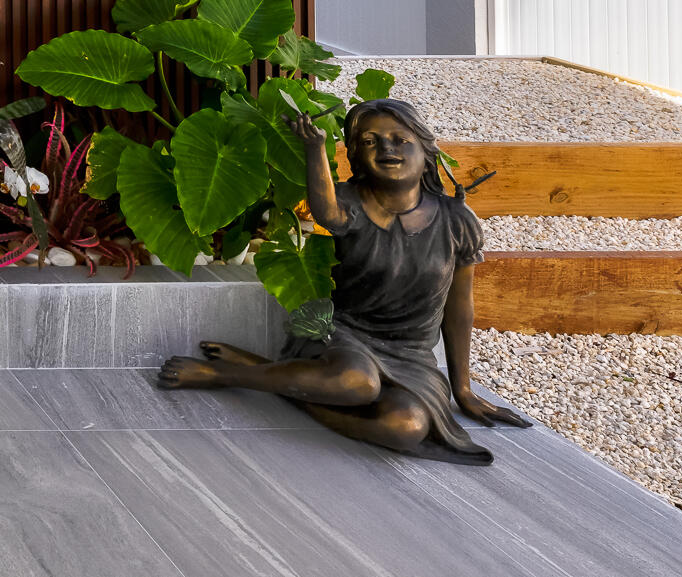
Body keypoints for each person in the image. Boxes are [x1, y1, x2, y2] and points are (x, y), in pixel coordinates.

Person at [155, 97, 529, 463]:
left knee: (406, 426)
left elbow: (459, 306)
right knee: (357, 382)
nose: (386, 148)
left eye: (400, 139)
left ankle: (274, 378)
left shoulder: (457, 221)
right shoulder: (352, 202)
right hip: (345, 334)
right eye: (370, 141)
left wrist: (462, 389)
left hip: (411, 355)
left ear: (426, 149)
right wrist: (316, 148)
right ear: (355, 155)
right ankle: (228, 375)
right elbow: (327, 212)